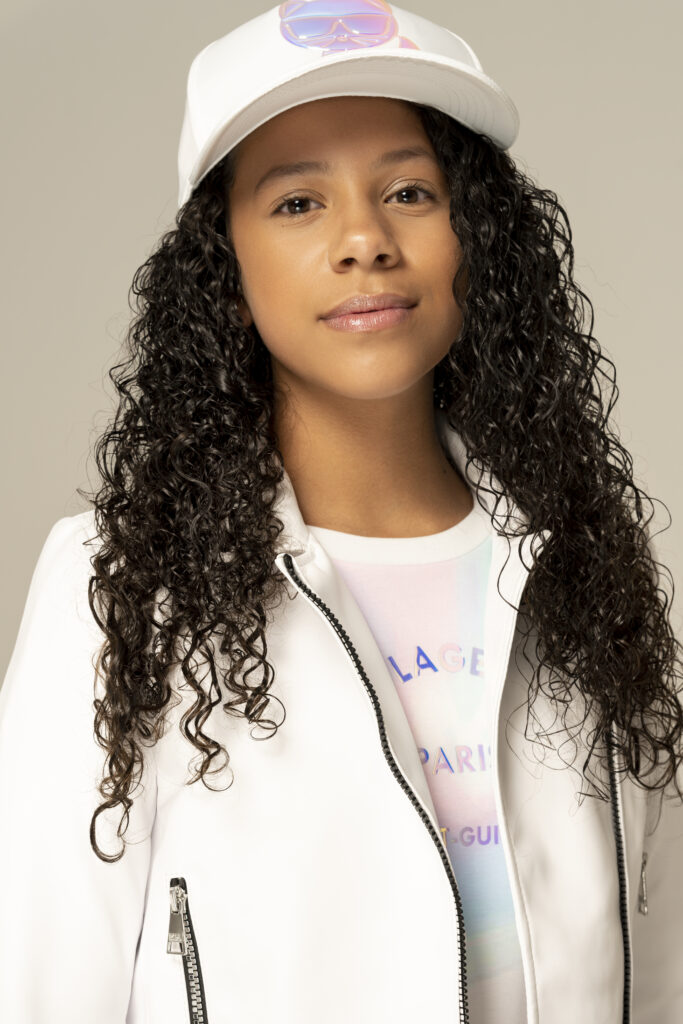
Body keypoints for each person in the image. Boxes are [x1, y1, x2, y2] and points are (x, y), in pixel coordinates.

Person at [1, 3, 682, 1022]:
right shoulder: (122, 588)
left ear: (477, 241)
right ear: (222, 270)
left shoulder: (574, 573)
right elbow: (39, 982)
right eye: (296, 203)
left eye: (408, 190)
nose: (363, 238)